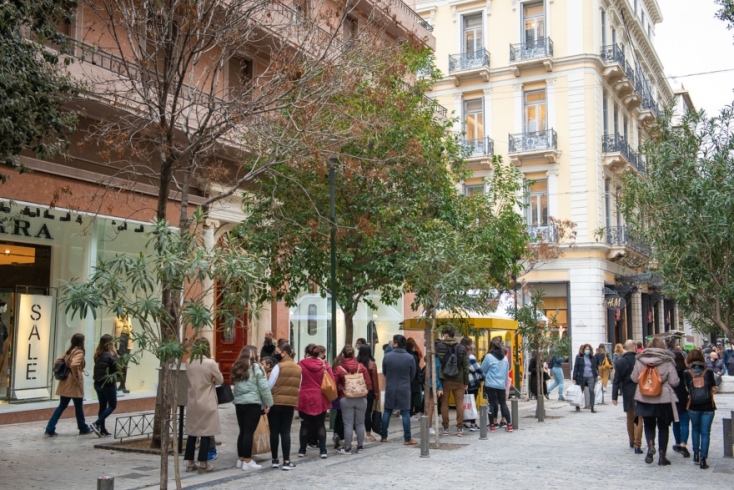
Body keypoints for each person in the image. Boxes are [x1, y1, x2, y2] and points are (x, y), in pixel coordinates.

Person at [631, 337, 680, 466]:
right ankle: (662, 457)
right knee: (663, 427)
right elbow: (674, 381)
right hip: (663, 399)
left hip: (644, 397)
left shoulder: (640, 360)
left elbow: (634, 378)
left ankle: (651, 446)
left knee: (649, 425)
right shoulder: (667, 360)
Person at [184, 338, 224, 473]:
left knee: (192, 432)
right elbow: (220, 380)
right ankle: (202, 464)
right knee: (206, 433)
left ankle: (190, 463)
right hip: (207, 401)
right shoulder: (210, 363)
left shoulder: (189, 362)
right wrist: (211, 379)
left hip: (193, 400)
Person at [232, 345, 273, 471]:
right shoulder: (257, 368)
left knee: (243, 431)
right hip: (252, 403)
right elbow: (264, 387)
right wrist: (269, 403)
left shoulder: (237, 367)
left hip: (239, 403)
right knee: (249, 432)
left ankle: (241, 459)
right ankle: (248, 461)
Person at [45, 333, 93, 436]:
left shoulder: (69, 351)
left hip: (65, 382)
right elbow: (74, 364)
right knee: (78, 406)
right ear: (82, 341)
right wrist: (76, 376)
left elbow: (57, 361)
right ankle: (83, 427)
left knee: (62, 406)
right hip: (74, 383)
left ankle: (50, 428)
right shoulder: (79, 351)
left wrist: (66, 365)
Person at [267, 342, 300, 470]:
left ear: (284, 352)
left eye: (277, 352)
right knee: (285, 432)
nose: (275, 354)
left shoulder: (278, 366)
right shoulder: (298, 368)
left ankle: (275, 459)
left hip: (276, 402)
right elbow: (299, 386)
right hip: (290, 403)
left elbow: (270, 384)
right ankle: (286, 461)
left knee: (274, 431)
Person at [334, 345, 372, 455]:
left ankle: (347, 448)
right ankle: (360, 446)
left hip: (346, 398)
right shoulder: (361, 367)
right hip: (361, 398)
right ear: (354, 354)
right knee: (360, 423)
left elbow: (334, 385)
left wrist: (339, 394)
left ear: (343, 354)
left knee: (348, 424)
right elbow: (368, 383)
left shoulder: (339, 369)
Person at [297, 344, 334, 459]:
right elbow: (332, 379)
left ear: (307, 353)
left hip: (305, 396)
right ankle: (323, 450)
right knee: (320, 424)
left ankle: (302, 449)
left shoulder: (300, 364)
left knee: (305, 424)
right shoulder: (324, 365)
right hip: (320, 397)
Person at [684, 349, 718, 469]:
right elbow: (713, 387)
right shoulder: (708, 372)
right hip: (708, 406)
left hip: (693, 405)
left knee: (695, 429)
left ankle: (696, 455)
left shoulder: (687, 372)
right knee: (705, 432)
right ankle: (704, 459)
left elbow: (687, 389)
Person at [380, 334, 417, 445]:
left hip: (390, 386)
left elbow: (385, 371)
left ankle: (384, 436)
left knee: (387, 411)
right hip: (404, 387)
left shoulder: (387, 356)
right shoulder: (410, 357)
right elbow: (412, 374)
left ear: (396, 343)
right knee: (405, 413)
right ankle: (407, 438)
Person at [435, 328, 469, 436]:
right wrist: (466, 382)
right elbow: (465, 367)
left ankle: (445, 428)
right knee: (459, 403)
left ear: (446, 335)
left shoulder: (439, 347)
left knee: (444, 404)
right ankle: (460, 428)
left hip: (445, 379)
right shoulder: (462, 348)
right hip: (459, 380)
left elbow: (437, 364)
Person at [612, 340, 644, 454]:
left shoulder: (620, 362)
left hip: (627, 392)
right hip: (639, 391)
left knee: (630, 417)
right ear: (634, 347)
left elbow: (616, 380)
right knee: (638, 418)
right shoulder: (640, 360)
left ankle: (631, 440)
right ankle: (637, 444)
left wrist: (614, 396)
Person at [481, 336, 512, 432]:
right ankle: (509, 425)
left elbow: (482, 369)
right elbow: (506, 372)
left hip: (490, 384)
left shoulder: (488, 357)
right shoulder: (505, 358)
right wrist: (505, 383)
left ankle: (492, 425)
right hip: (501, 384)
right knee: (503, 403)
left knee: (491, 403)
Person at [90, 334, 118, 437]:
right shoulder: (111, 355)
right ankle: (96, 423)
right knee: (112, 405)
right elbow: (117, 368)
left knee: (102, 406)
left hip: (98, 383)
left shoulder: (98, 354)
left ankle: (102, 429)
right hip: (108, 384)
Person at [357, 344, 381, 442]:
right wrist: (376, 394)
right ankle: (368, 434)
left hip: (357, 390)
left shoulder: (356, 363)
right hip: (368, 391)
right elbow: (374, 380)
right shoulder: (372, 364)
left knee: (357, 412)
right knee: (367, 413)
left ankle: (357, 433)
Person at [671, 351, 691, 458]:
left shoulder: (671, 370)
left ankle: (678, 443)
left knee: (676, 422)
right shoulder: (686, 371)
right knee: (685, 423)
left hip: (673, 398)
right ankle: (683, 444)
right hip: (685, 398)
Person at [572, 344, 600, 413]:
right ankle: (577, 405)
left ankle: (592, 407)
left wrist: (597, 375)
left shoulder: (592, 357)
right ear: (583, 350)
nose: (587, 350)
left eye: (588, 349)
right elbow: (576, 367)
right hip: (582, 376)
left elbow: (594, 367)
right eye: (586, 349)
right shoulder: (579, 357)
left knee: (591, 391)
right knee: (580, 391)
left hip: (591, 376)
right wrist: (574, 377)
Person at [464, 340, 482, 431]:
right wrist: (483, 374)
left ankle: (462, 422)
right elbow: (477, 369)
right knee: (472, 402)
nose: (472, 346)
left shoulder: (460, 355)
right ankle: (472, 423)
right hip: (472, 382)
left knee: (464, 402)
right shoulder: (470, 356)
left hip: (463, 382)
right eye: (471, 344)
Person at [405, 339, 423, 419]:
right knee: (413, 396)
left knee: (408, 396)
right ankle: (411, 412)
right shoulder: (413, 356)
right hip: (413, 379)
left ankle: (407, 412)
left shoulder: (405, 355)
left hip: (405, 379)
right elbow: (416, 368)